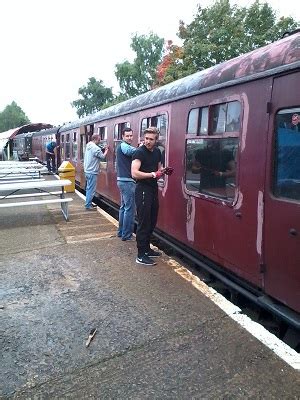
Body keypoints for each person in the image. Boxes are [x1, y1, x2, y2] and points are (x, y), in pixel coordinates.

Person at [131, 127, 166, 266]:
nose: (148, 142)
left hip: (152, 188)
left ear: (156, 140)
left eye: (151, 139)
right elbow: (134, 173)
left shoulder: (157, 152)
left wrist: (162, 171)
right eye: (146, 138)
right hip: (142, 189)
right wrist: (152, 174)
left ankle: (147, 249)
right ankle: (140, 255)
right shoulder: (139, 152)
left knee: (152, 220)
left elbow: (158, 169)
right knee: (144, 221)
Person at [116, 127, 137, 241]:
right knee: (129, 209)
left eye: (131, 135)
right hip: (127, 182)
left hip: (122, 181)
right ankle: (127, 235)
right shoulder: (123, 145)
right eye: (127, 136)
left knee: (124, 208)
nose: (129, 138)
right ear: (123, 137)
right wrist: (140, 148)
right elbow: (129, 151)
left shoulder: (122, 146)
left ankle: (121, 232)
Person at [84, 134, 109, 210]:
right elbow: (102, 157)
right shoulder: (96, 148)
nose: (100, 141)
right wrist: (106, 150)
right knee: (91, 189)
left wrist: (102, 148)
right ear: (96, 139)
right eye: (99, 140)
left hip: (87, 171)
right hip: (92, 171)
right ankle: (88, 205)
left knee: (89, 188)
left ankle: (88, 203)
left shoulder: (89, 145)